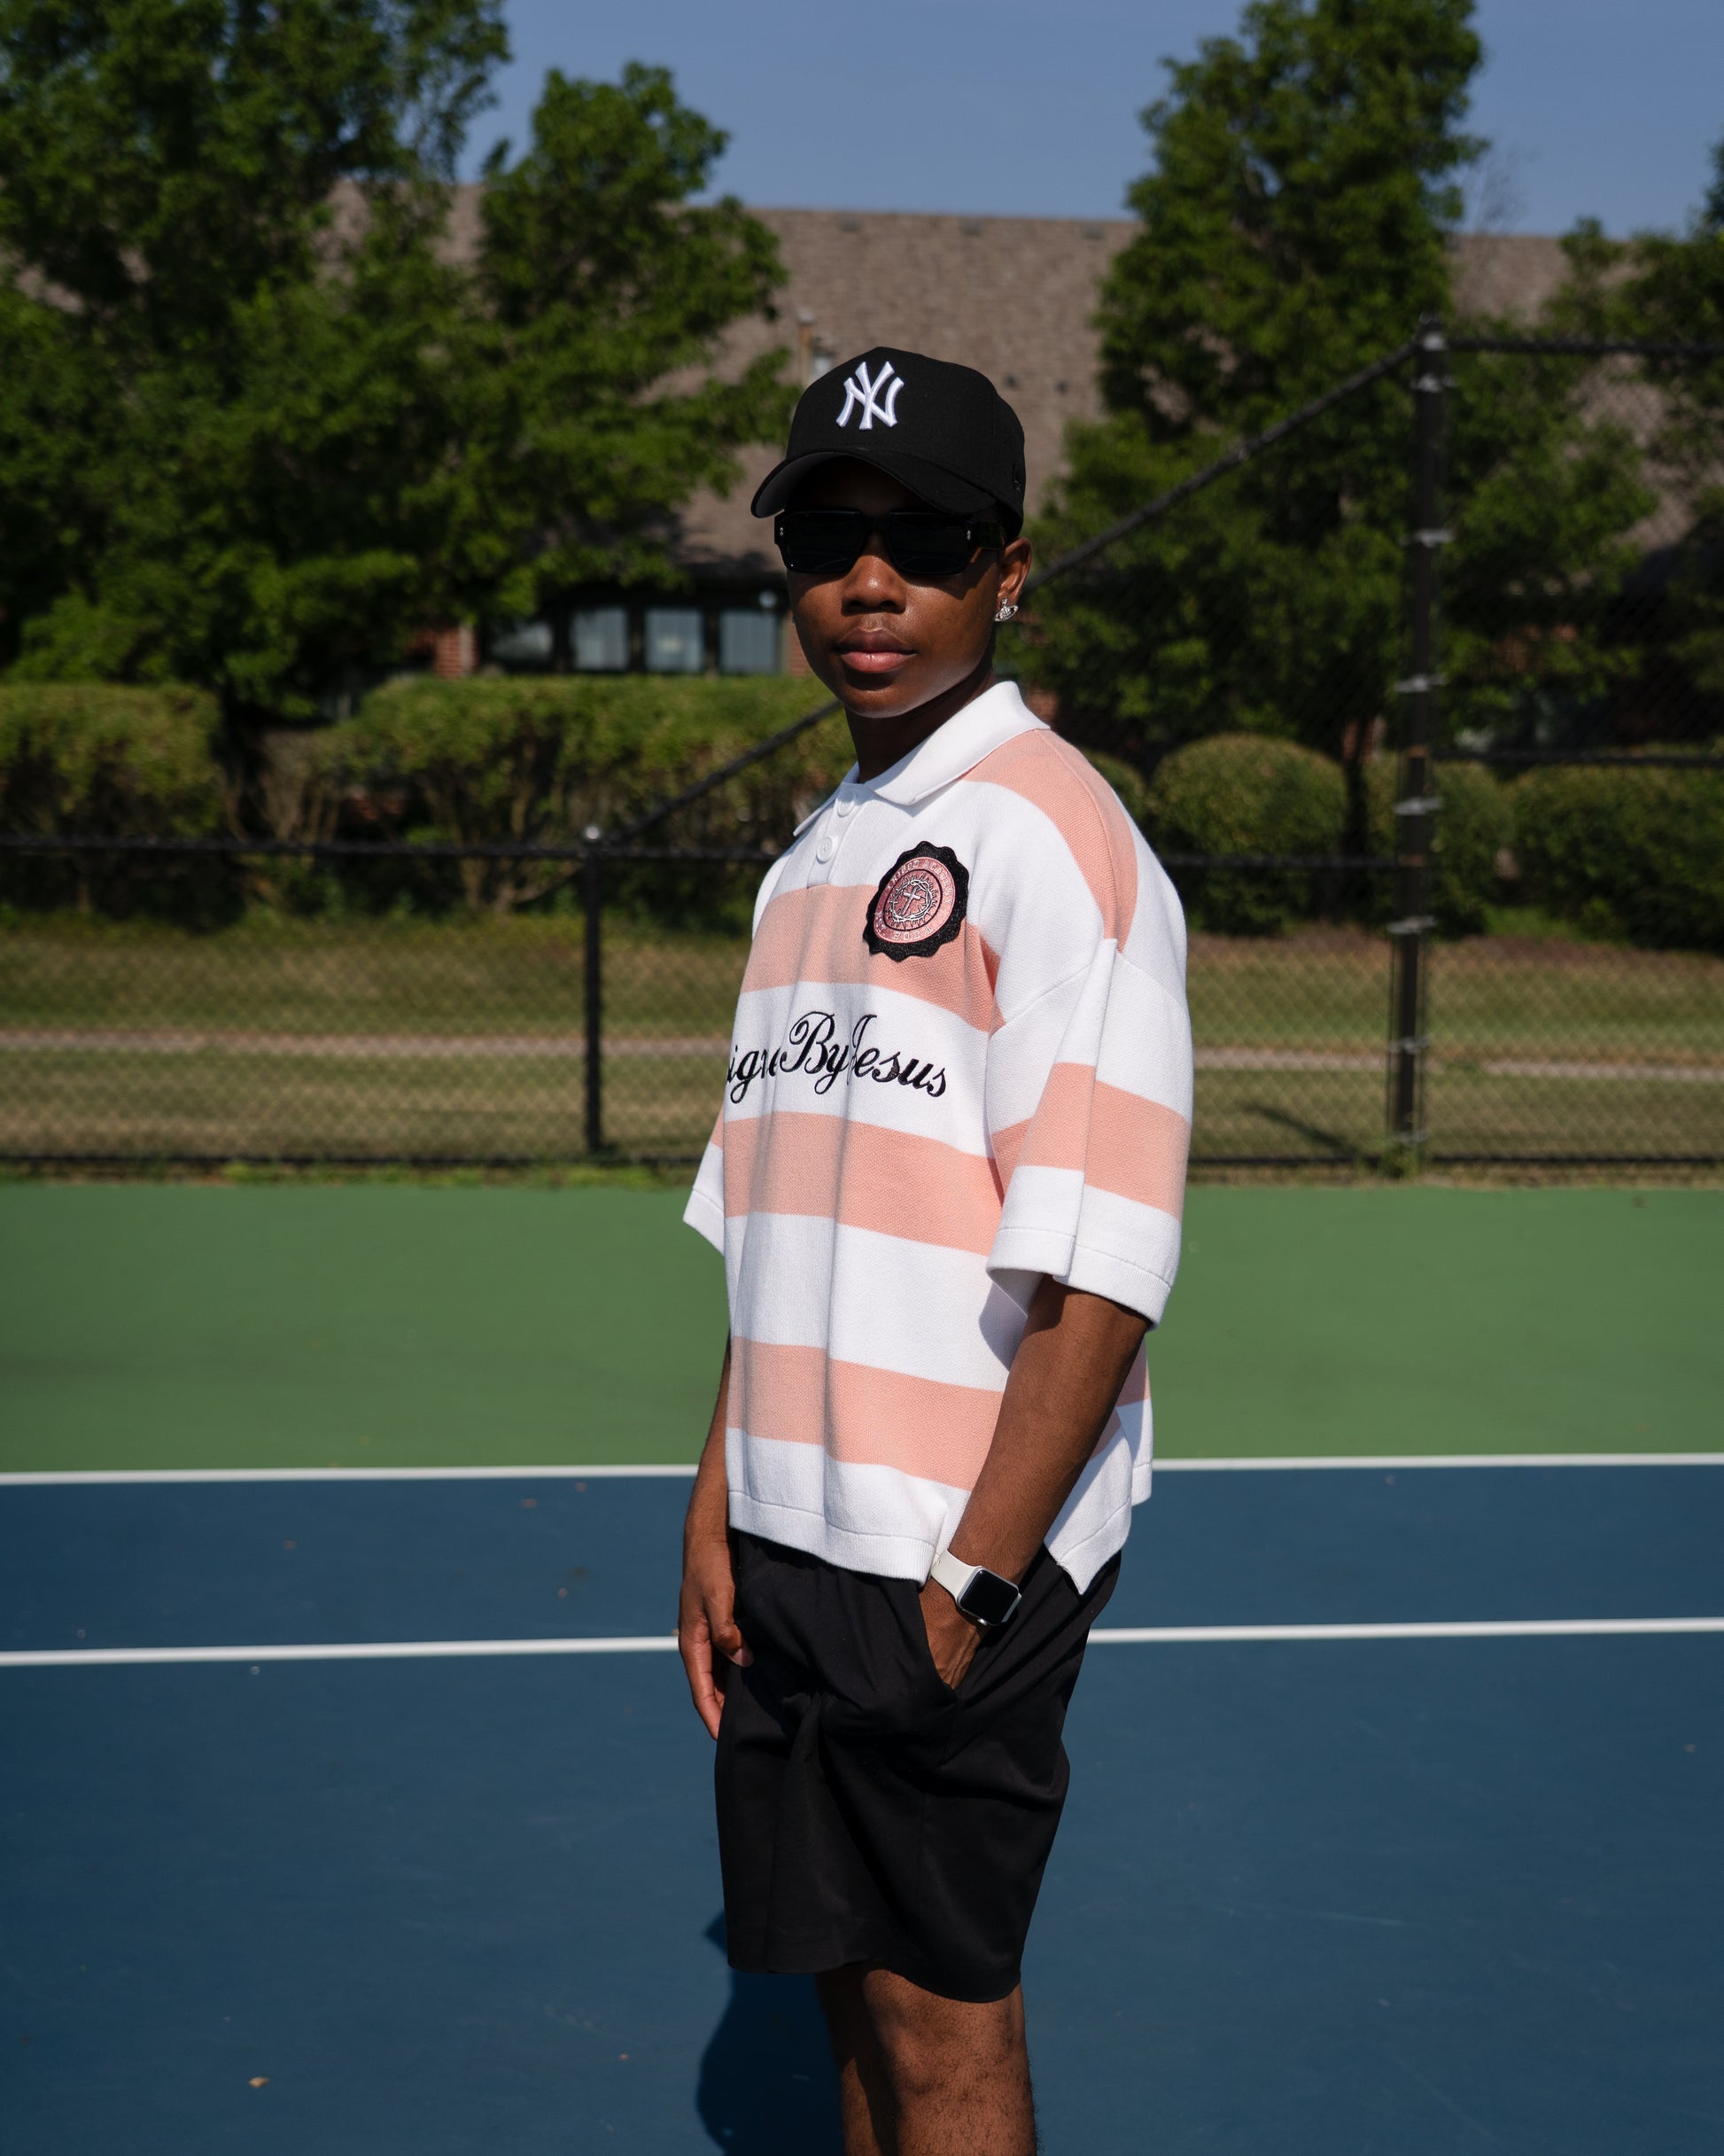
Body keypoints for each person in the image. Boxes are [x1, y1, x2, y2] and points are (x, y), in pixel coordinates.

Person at [678, 347, 1193, 2156]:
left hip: (949, 1548)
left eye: (928, 541)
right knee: (844, 1980)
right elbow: (774, 1222)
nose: (870, 581)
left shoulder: (1061, 842)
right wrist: (718, 1503)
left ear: (1009, 568)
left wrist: (970, 1581)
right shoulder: (811, 857)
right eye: (828, 539)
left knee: (939, 2015)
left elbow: (1102, 1271)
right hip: (791, 1537)